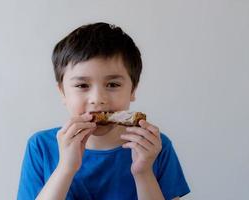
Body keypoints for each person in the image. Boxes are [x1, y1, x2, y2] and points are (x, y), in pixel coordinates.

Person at [17, 22, 190, 200]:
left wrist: (143, 173)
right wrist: (65, 169)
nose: (98, 98)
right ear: (63, 92)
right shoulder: (41, 147)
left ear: (133, 90)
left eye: (113, 84)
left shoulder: (155, 147)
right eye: (82, 85)